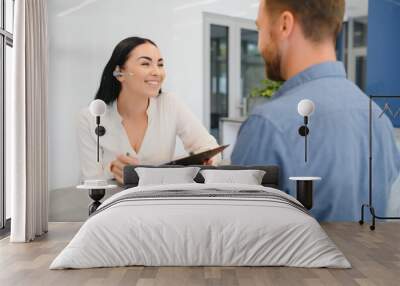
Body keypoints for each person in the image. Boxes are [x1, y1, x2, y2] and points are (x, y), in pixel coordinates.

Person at [231, 0, 400, 221]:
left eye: (260, 27)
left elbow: (239, 242)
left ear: (284, 24)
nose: (260, 42)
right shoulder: (378, 120)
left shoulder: (268, 127)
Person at [78, 37, 220, 183]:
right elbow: (90, 179)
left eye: (160, 64)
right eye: (145, 63)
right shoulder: (89, 118)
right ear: (119, 73)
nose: (157, 72)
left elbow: (209, 146)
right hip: (114, 203)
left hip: (159, 200)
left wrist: (208, 160)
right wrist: (112, 170)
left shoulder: (170, 104)